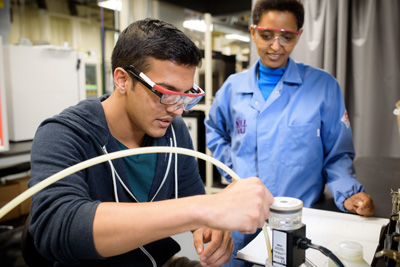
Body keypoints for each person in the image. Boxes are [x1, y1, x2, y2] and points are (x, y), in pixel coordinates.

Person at [28, 18, 274, 267]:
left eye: (185, 97)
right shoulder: (64, 133)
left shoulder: (174, 132)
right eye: (166, 94)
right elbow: (56, 227)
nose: (178, 111)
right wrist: (207, 208)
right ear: (122, 80)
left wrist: (213, 228)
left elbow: (195, 203)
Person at [204, 0, 374, 266]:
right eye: (267, 35)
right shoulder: (232, 88)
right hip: (240, 220)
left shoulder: (323, 86)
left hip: (300, 219)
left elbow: (337, 154)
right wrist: (233, 171)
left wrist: (348, 193)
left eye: (286, 37)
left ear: (299, 36)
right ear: (253, 32)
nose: (275, 46)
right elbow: (214, 130)